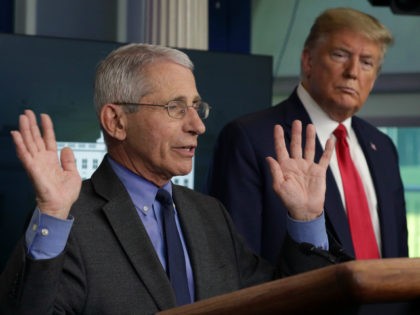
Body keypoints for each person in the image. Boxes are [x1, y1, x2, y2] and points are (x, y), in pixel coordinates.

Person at [0, 43, 342, 314]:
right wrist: (52, 215)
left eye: (196, 106)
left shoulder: (210, 214)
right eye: (175, 107)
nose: (198, 125)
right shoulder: (67, 222)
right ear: (116, 121)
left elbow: (280, 303)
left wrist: (306, 218)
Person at [207, 7, 408, 265]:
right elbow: (235, 262)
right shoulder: (249, 138)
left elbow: (399, 251)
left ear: (375, 77)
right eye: (340, 55)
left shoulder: (383, 146)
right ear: (308, 60)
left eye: (367, 62)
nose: (353, 72)